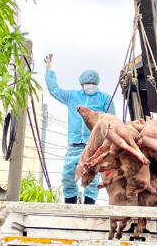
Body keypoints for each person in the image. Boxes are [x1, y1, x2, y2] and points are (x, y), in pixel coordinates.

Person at [44, 53, 115, 204]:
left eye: (93, 83)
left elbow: (111, 120)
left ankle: (89, 204)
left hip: (95, 147)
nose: (91, 85)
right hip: (75, 145)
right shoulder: (72, 96)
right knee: (68, 175)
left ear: (97, 84)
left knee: (93, 176)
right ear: (82, 84)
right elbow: (55, 90)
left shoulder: (105, 99)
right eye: (88, 83)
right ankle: (70, 202)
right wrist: (49, 71)